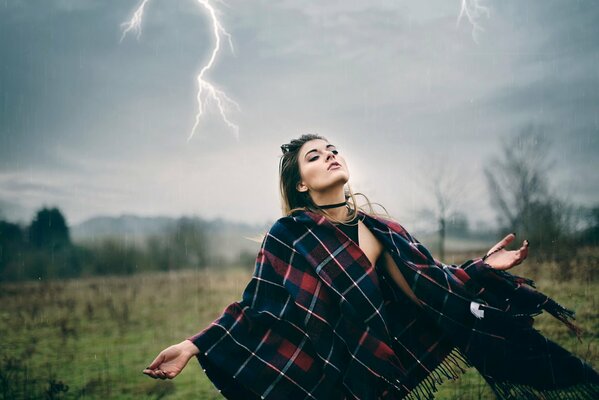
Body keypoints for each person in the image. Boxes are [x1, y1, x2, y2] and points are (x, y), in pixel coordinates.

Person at [142, 134, 599, 399]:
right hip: (319, 368)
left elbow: (427, 289)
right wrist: (192, 344)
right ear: (300, 182)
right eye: (315, 156)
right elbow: (253, 308)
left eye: (333, 149)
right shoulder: (289, 235)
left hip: (369, 363)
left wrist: (482, 269)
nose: (330, 156)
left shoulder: (380, 230)